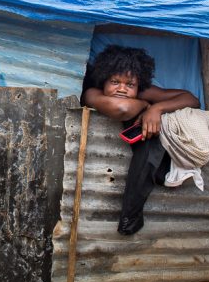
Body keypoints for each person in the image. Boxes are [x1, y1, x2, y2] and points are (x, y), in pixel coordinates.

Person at [82, 45, 200, 235]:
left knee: (151, 138)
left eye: (130, 85)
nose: (122, 88)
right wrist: (146, 106)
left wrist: (156, 109)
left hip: (157, 153)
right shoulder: (91, 93)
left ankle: (133, 214)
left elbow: (192, 99)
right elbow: (121, 108)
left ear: (139, 85)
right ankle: (132, 216)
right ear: (104, 80)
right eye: (115, 82)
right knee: (149, 140)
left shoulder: (141, 92)